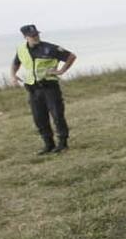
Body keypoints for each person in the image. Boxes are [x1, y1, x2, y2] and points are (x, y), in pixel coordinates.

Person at [9, 24, 76, 155]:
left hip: (49, 87)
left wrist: (61, 71)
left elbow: (71, 56)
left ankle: (63, 144)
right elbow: (16, 62)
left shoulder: (50, 48)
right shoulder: (21, 49)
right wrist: (13, 76)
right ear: (25, 37)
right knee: (39, 118)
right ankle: (48, 145)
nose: (35, 37)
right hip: (33, 89)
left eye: (36, 34)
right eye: (32, 36)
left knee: (57, 116)